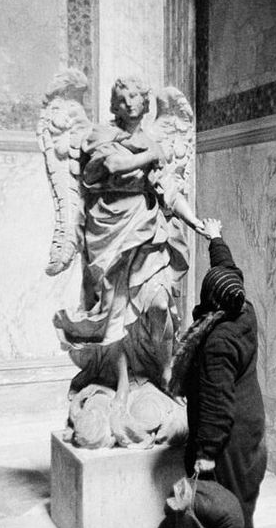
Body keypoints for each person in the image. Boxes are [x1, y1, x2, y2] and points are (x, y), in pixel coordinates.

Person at [54, 76, 205, 407]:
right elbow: (112, 163)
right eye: (123, 98)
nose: (131, 103)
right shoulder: (99, 135)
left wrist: (194, 222)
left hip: (148, 229)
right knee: (114, 313)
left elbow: (168, 188)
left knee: (160, 304)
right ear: (114, 104)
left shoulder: (152, 140)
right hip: (107, 232)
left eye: (137, 97)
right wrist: (151, 153)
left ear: (146, 103)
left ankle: (166, 373)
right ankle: (120, 380)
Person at [169, 218, 267, 528]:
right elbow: (226, 270)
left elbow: (214, 403)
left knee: (223, 496)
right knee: (242, 491)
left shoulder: (217, 342)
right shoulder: (242, 310)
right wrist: (215, 237)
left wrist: (206, 453)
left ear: (209, 300)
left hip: (228, 431)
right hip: (249, 419)